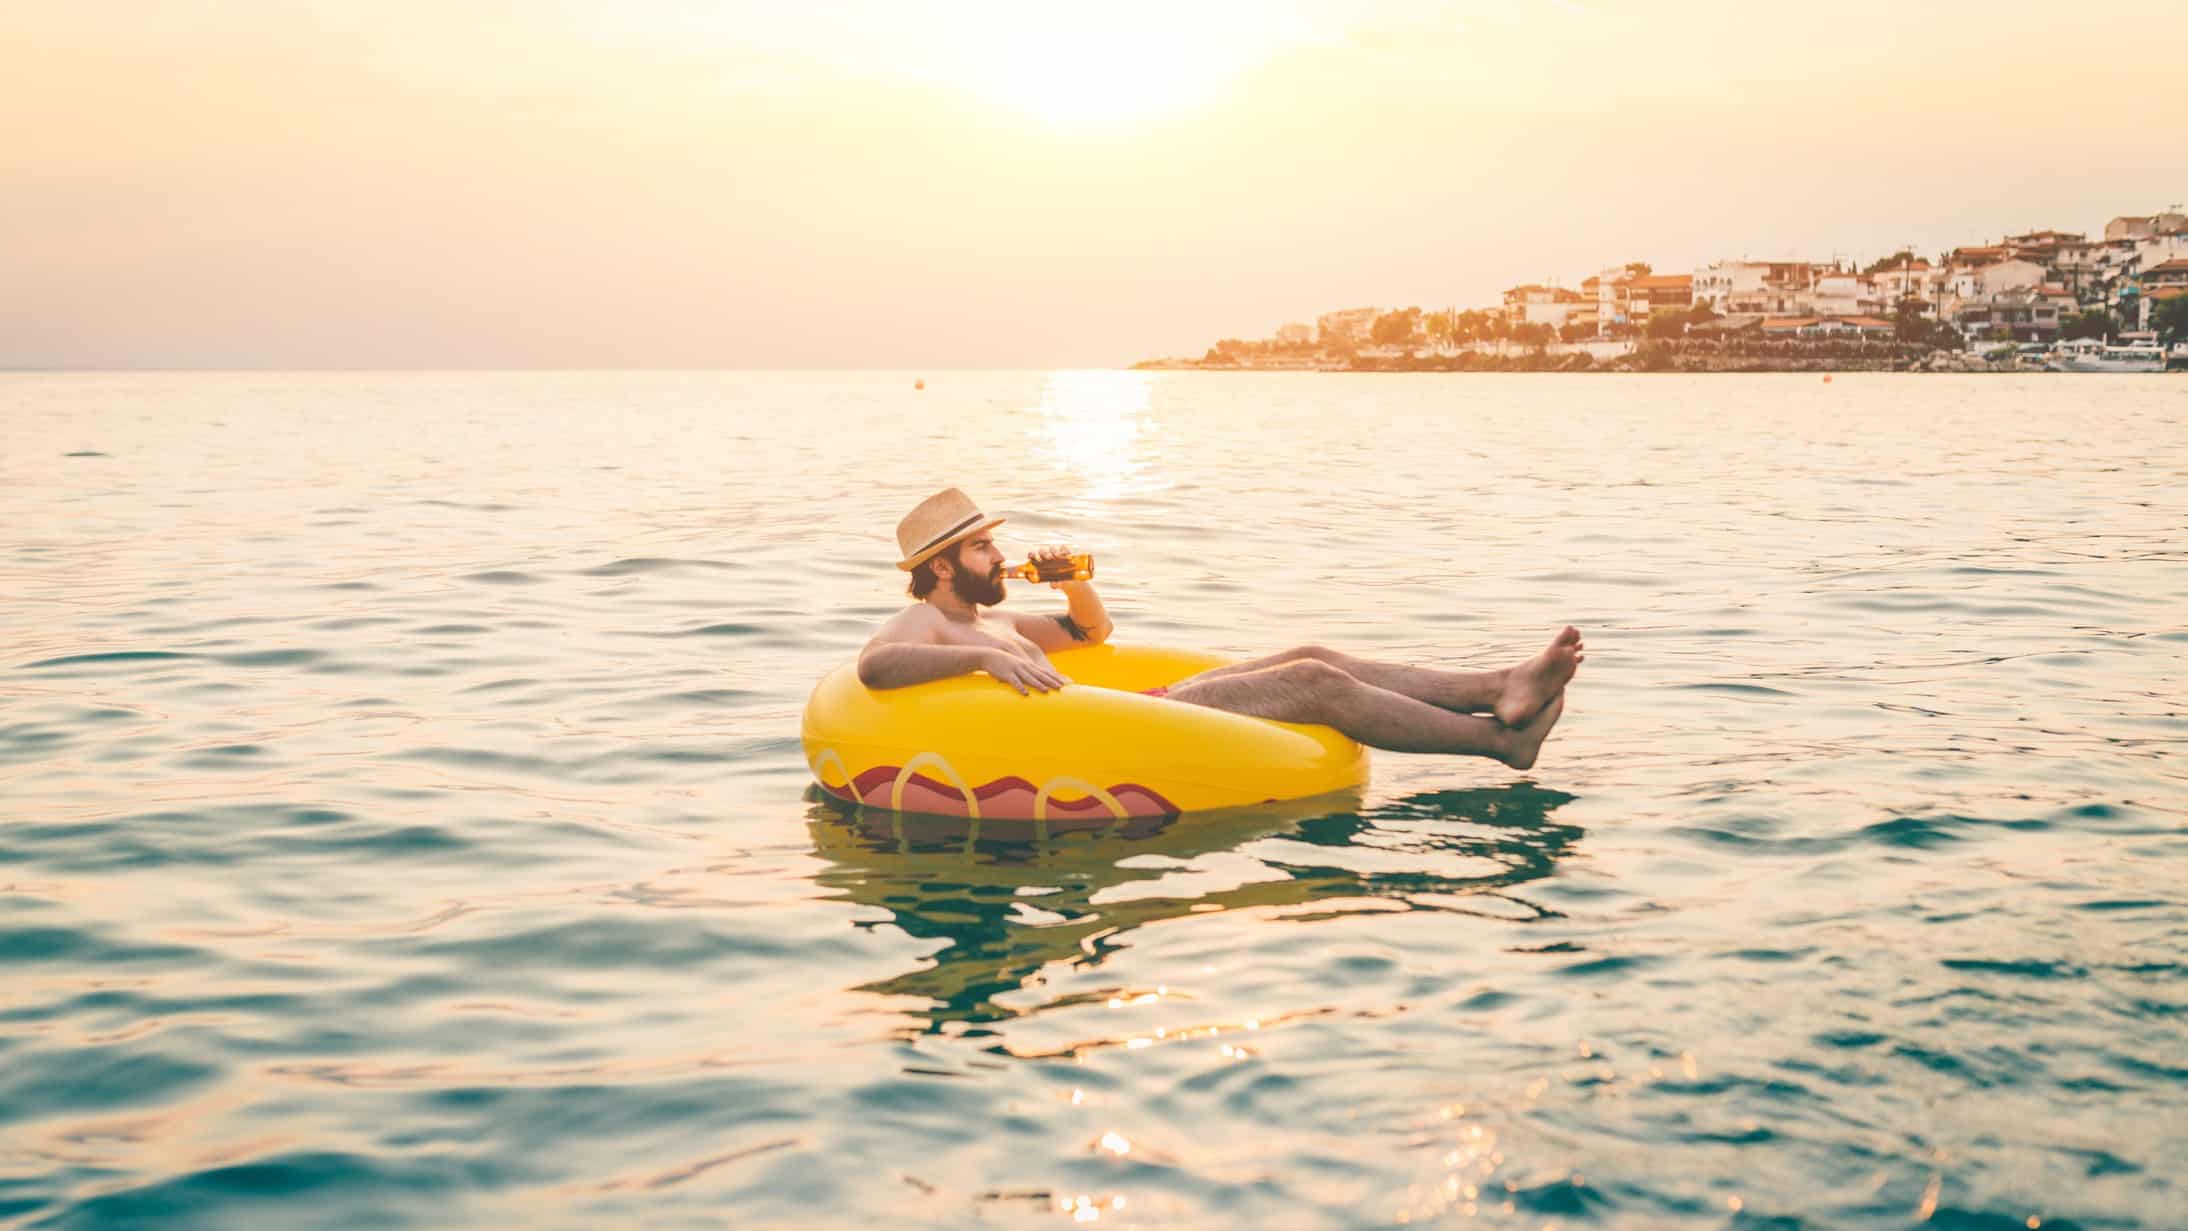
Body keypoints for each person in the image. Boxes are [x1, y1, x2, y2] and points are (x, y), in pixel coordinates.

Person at [858, 488, 1579, 770]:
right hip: (1116, 732)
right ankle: (1497, 740)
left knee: (1310, 652)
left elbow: (1092, 635)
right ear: (943, 567)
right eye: (981, 548)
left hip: (1135, 707)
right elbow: (874, 668)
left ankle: (1498, 685)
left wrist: (1073, 581)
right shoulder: (930, 620)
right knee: (1313, 684)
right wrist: (980, 666)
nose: (998, 555)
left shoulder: (992, 617)